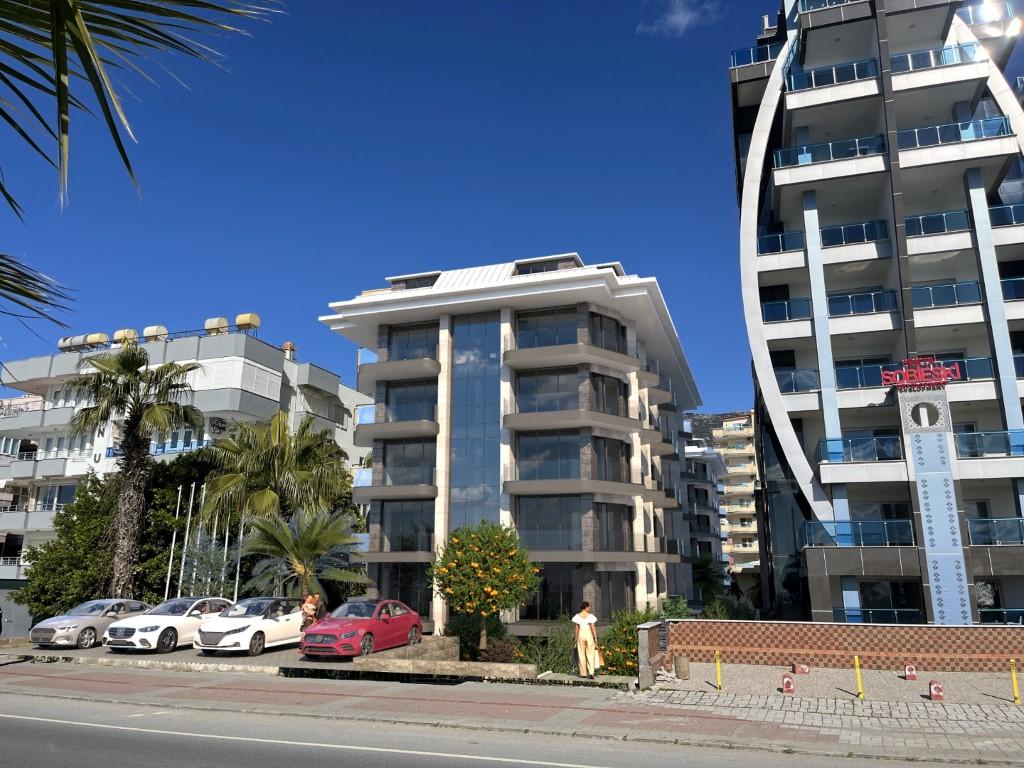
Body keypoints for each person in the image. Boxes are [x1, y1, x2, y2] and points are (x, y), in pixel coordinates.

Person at [572, 601, 600, 679]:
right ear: (586, 607)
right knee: (590, 654)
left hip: (581, 635)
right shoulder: (590, 616)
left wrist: (576, 638)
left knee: (581, 654)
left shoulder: (577, 616)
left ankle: (583, 673)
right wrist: (595, 638)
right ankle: (591, 673)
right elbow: (593, 627)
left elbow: (576, 628)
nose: (590, 608)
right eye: (589, 607)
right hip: (588, 635)